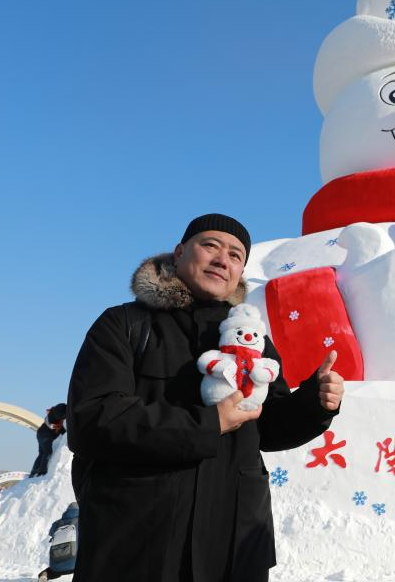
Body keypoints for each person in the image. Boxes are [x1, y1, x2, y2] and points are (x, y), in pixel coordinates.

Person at [67, 214, 344, 582]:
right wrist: (207, 424)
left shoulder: (252, 339)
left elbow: (270, 426)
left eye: (235, 255)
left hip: (233, 544)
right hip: (138, 543)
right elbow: (93, 420)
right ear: (180, 252)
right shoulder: (124, 325)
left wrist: (313, 402)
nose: (222, 260)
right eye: (210, 245)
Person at [29, 403, 67, 477]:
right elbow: (60, 428)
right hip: (45, 436)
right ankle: (42, 472)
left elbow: (60, 428)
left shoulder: (54, 411)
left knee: (42, 453)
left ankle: (34, 471)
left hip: (41, 434)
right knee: (47, 452)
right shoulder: (56, 417)